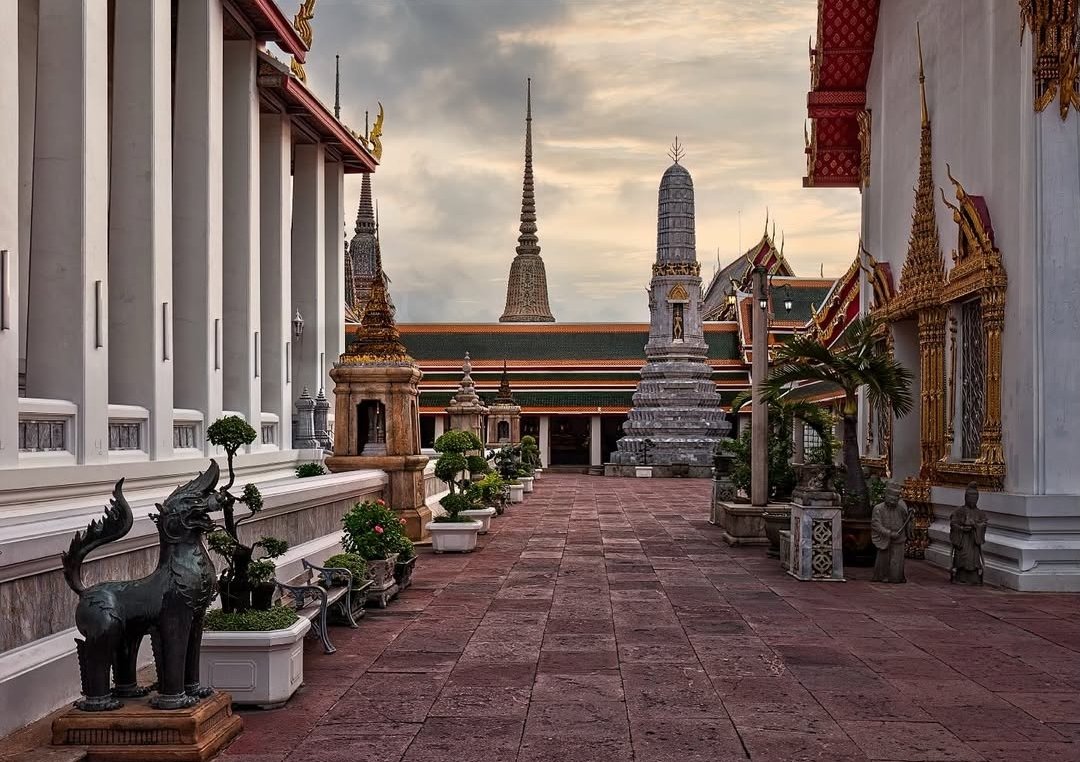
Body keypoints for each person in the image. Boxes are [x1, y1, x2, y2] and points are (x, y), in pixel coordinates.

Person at [871, 482, 911, 583]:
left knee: (897, 560)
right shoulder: (878, 508)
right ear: (886, 496)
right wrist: (889, 533)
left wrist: (911, 519)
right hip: (884, 538)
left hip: (899, 538)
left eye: (896, 498)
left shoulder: (901, 509)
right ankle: (882, 576)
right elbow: (876, 525)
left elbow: (906, 522)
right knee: (883, 560)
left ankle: (896, 577)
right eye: (891, 498)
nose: (894, 500)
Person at [949, 482, 988, 585]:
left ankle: (974, 578)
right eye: (970, 498)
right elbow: (953, 523)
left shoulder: (980, 513)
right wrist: (961, 528)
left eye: (975, 498)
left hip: (973, 541)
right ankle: (960, 576)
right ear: (966, 497)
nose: (973, 500)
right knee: (961, 559)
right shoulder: (959, 511)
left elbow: (983, 523)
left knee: (973, 560)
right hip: (962, 540)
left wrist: (976, 526)